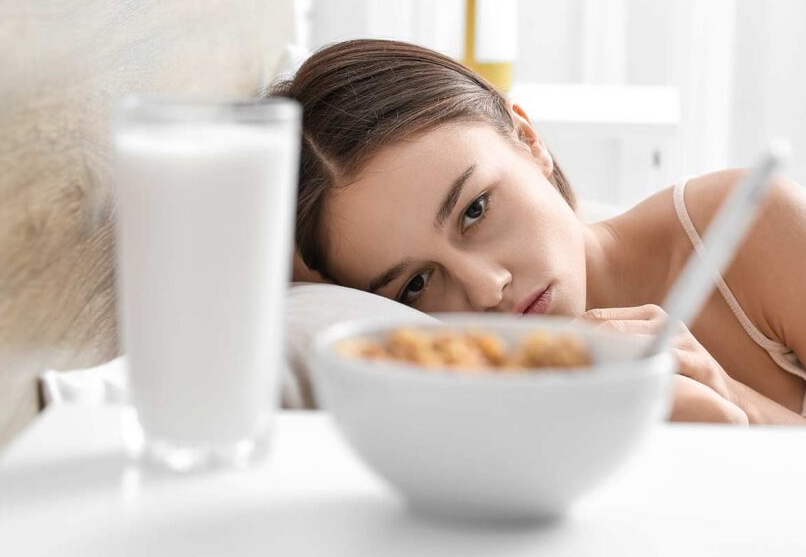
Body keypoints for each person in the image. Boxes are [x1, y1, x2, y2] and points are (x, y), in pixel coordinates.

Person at [268, 38, 806, 425]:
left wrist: (732, 401)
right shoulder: (477, 410)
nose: (484, 289)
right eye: (416, 284)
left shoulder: (750, 223)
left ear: (528, 139)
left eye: (475, 211)